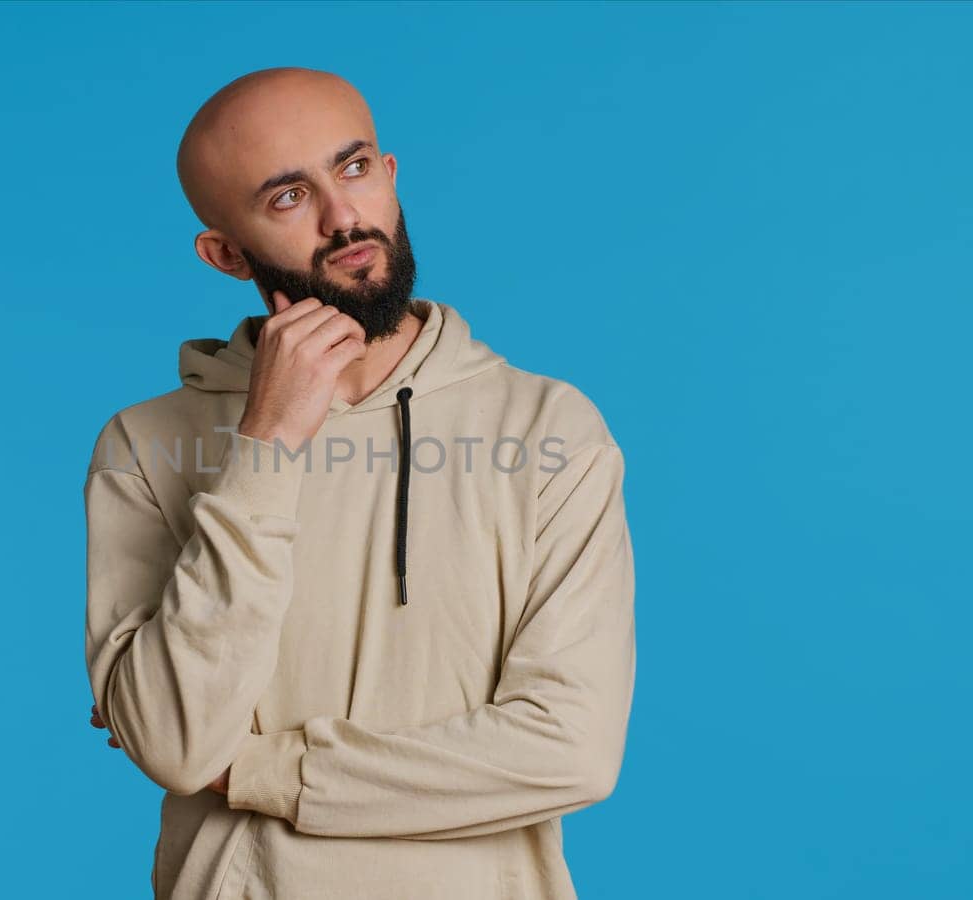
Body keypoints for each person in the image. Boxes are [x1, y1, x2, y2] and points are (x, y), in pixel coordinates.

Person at [82, 66, 636, 900]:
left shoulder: (547, 432)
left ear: (390, 173)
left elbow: (572, 750)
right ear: (225, 253)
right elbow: (177, 743)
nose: (345, 219)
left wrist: (258, 770)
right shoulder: (146, 445)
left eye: (354, 169)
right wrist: (266, 445)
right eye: (287, 196)